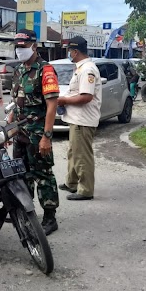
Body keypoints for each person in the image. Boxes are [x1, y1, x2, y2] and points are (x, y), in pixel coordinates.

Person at [8, 29, 60, 236]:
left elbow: (52, 106)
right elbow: (16, 102)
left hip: (38, 134)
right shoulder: (19, 70)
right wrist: (10, 126)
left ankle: (50, 218)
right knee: (21, 175)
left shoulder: (45, 71)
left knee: (43, 175)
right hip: (20, 132)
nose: (19, 50)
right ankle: (27, 213)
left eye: (23, 47)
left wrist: (46, 138)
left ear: (34, 46)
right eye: (17, 47)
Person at [57, 36, 101, 201]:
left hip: (83, 120)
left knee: (82, 155)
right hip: (76, 119)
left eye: (69, 50)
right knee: (73, 152)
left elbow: (86, 97)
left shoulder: (87, 69)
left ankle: (86, 190)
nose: (69, 53)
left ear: (75, 51)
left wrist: (63, 100)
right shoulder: (80, 68)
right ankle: (72, 182)